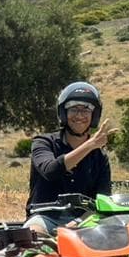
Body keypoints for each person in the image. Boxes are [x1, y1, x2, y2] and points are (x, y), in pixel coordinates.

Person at [26, 81, 115, 233]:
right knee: (34, 235)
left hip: (85, 221)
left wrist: (79, 222)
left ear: (94, 115)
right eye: (73, 108)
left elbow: (102, 200)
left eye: (86, 109)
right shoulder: (43, 143)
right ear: (63, 113)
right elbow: (50, 171)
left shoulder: (100, 157)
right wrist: (90, 145)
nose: (80, 115)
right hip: (45, 217)